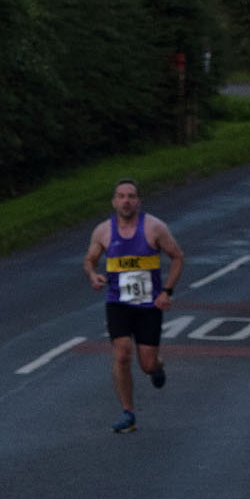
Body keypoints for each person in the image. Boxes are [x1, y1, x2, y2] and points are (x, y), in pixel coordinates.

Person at [83, 179, 183, 433]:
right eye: (121, 196)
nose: (126, 201)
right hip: (118, 303)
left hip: (149, 305)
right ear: (114, 202)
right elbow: (90, 260)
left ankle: (157, 367)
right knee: (122, 354)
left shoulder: (154, 227)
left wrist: (167, 292)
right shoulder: (103, 231)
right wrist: (92, 275)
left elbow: (177, 257)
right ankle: (128, 413)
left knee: (147, 364)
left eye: (131, 196)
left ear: (138, 201)